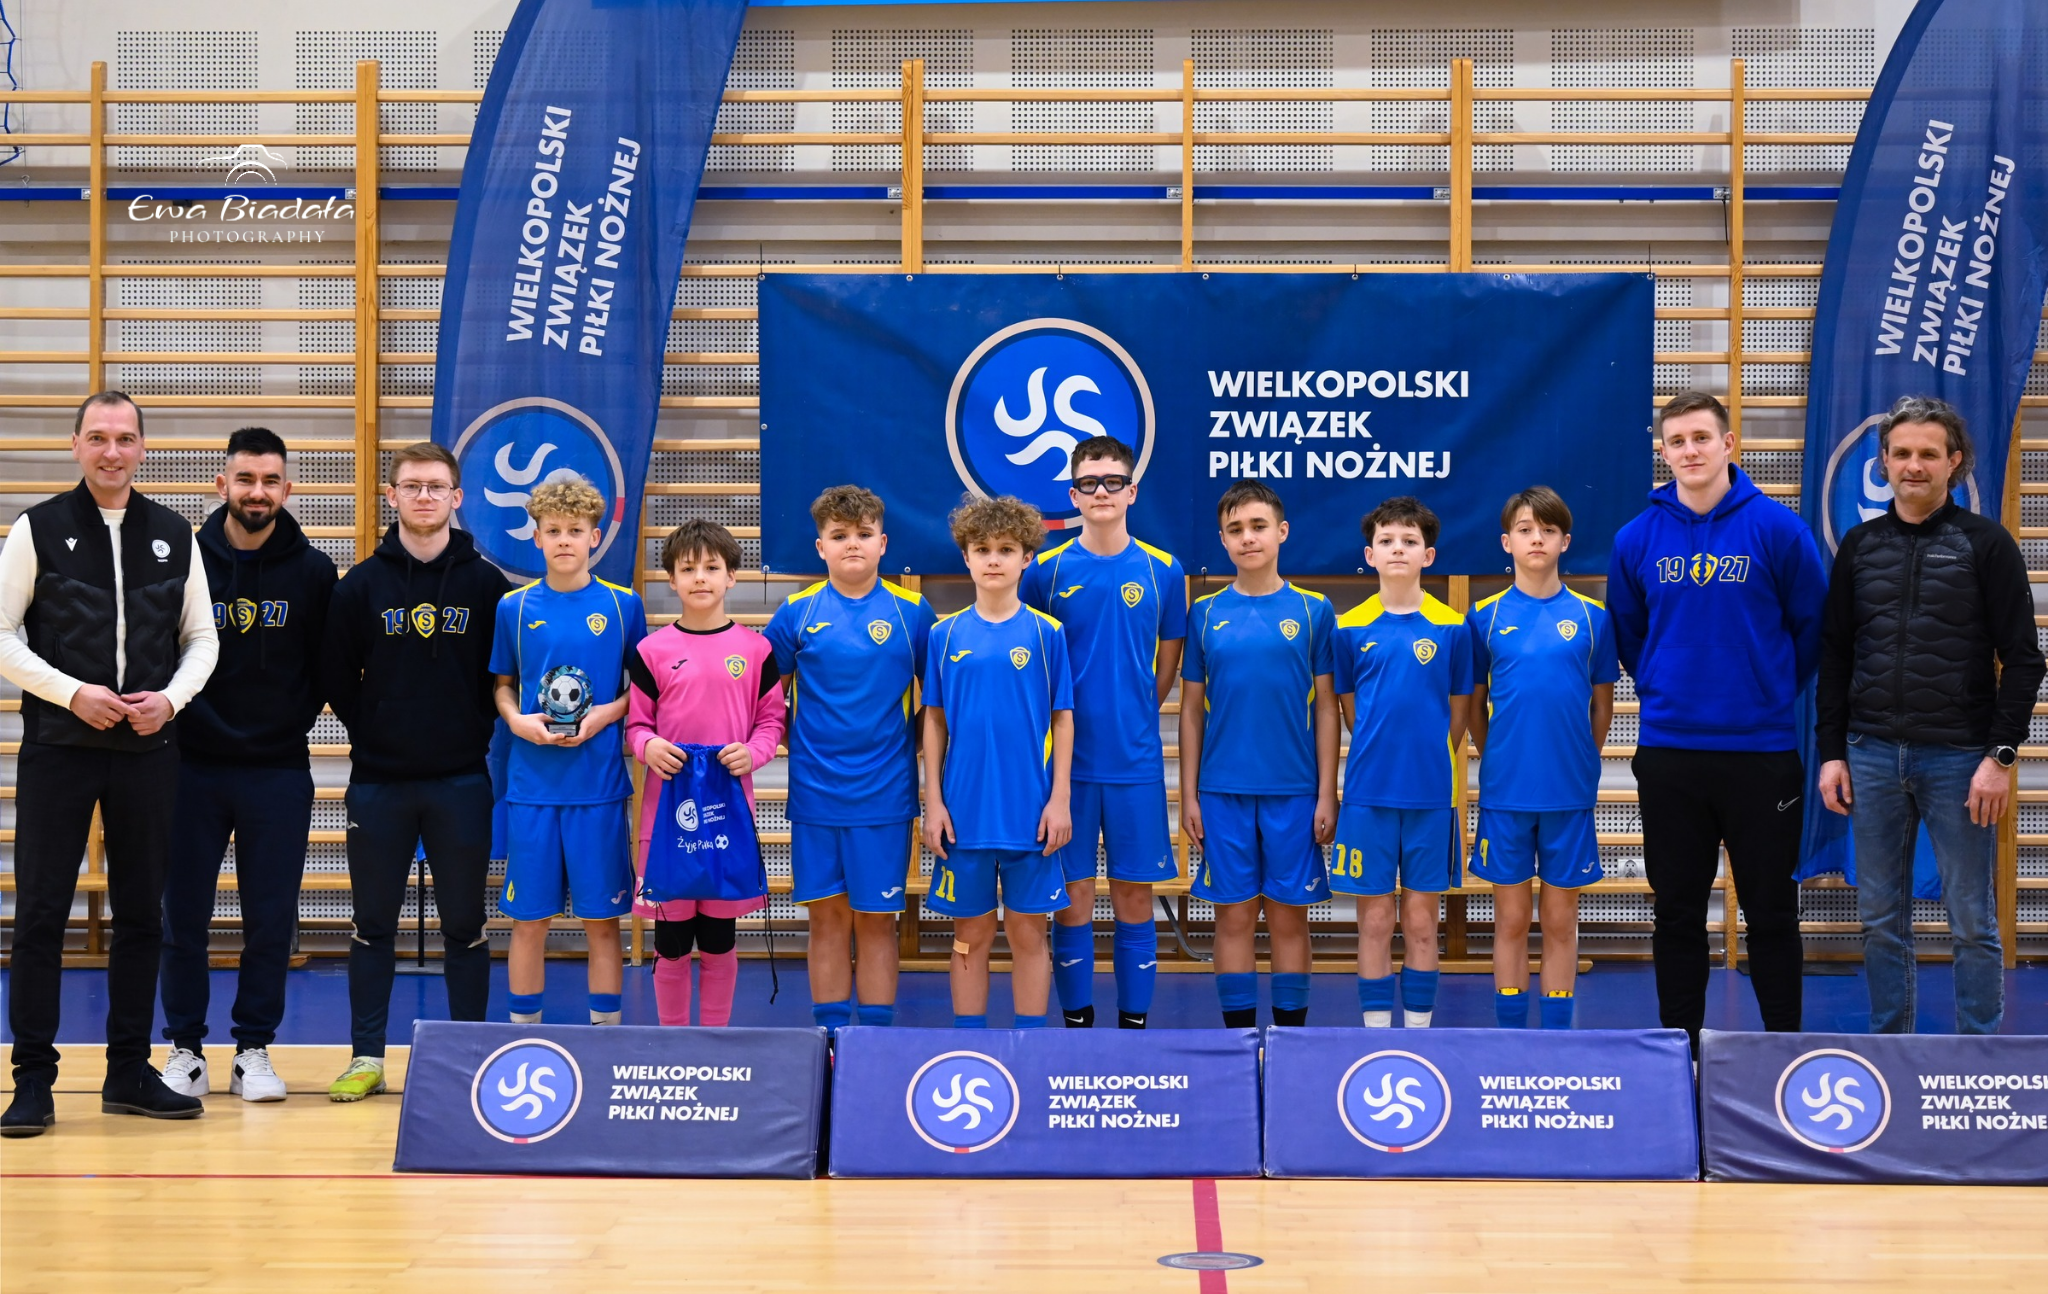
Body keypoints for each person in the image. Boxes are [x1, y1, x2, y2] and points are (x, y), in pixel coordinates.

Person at [0, 391, 219, 1137]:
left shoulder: (173, 533)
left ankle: (127, 1071)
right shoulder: (37, 528)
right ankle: (32, 1080)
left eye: (125, 438)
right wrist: (71, 693)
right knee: (40, 914)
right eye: (98, 437)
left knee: (141, 916)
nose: (112, 451)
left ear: (142, 449)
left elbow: (202, 639)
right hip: (59, 750)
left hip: (147, 752)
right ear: (76, 446)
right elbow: (3, 633)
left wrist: (171, 701)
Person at [1817, 396, 2042, 1035]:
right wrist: (1832, 752)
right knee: (1880, 918)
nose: (1913, 465)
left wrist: (1999, 759)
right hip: (1870, 756)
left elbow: (2024, 661)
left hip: (1960, 761)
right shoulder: (1859, 546)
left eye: (1927, 454)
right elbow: (1835, 655)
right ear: (1884, 463)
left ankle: (1978, 1054)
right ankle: (1892, 1048)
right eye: (1902, 454)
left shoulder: (1987, 544)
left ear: (1954, 462)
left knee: (1971, 918)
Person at [1608, 391, 1828, 1044]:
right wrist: (1664, 683)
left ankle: (1782, 1048)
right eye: (1677, 441)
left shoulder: (1779, 529)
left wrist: (1767, 689)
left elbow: (1813, 628)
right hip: (1671, 751)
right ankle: (1682, 1051)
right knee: (1677, 913)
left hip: (1761, 754)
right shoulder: (1635, 538)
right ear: (1664, 451)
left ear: (1729, 444)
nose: (1690, 451)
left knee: (1771, 912)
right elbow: (1630, 634)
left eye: (1701, 437)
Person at [320, 443, 512, 1100]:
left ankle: (466, 1057)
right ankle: (366, 1058)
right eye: (411, 486)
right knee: (372, 925)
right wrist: (376, 729)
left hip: (460, 780)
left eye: (435, 486)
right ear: (392, 496)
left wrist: (469, 727)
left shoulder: (488, 586)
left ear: (457, 497)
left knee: (466, 926)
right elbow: (336, 676)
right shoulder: (359, 586)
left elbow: (502, 677)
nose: (423, 496)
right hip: (379, 782)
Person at [158, 427, 336, 1103]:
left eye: (269, 481)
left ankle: (253, 1050)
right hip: (191, 765)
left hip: (277, 769)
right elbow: (162, 654)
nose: (256, 492)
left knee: (270, 919)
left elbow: (325, 669)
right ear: (222, 484)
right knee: (183, 917)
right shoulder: (185, 561)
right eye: (245, 479)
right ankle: (185, 1049)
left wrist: (285, 724)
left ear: (287, 489)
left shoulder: (314, 572)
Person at [1021, 435, 1186, 1030]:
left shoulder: (1164, 570)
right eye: (1089, 483)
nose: (1101, 492)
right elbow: (1034, 661)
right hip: (1064, 768)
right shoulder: (1045, 571)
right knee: (1073, 900)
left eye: (1113, 481)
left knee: (1134, 896)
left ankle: (1134, 1029)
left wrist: (1134, 710)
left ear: (1131, 491)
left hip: (1134, 762)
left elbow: (1166, 664)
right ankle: (1078, 1028)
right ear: (1073, 494)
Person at [764, 486, 935, 1034]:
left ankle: (875, 1046)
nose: (852, 544)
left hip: (885, 798)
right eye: (839, 536)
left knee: (877, 922)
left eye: (863, 534)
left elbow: (937, 703)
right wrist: (794, 740)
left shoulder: (913, 612)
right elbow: (765, 697)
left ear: (883, 543)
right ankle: (832, 1041)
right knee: (827, 921)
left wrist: (904, 744)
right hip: (815, 797)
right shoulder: (797, 612)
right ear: (821, 547)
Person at [1179, 481, 1337, 1028]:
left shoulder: (1314, 611)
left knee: (1290, 920)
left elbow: (1327, 708)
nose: (1248, 537)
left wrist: (1326, 792)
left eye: (1258, 526)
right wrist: (1189, 795)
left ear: (1281, 532)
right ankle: (1239, 1043)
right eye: (1235, 529)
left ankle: (1290, 1043)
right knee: (1233, 919)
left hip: (1294, 792)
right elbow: (1191, 710)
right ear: (1223, 540)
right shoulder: (1204, 613)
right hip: (1222, 793)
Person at [490, 480, 648, 1027]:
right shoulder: (513, 608)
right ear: (535, 537)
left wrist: (606, 714)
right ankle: (522, 1036)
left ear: (594, 537)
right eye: (553, 531)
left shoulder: (623, 605)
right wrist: (517, 721)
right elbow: (503, 686)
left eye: (575, 531)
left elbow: (642, 690)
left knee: (602, 922)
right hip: (532, 789)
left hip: (597, 789)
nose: (564, 540)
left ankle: (605, 1037)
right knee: (529, 921)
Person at [1468, 486, 1618, 1030]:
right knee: (1509, 921)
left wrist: (1580, 761)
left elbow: (1602, 707)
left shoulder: (1593, 617)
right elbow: (1474, 707)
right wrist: (1498, 756)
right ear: (1506, 542)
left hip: (1567, 794)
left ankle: (1556, 1039)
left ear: (1565, 542)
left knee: (1560, 922)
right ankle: (1511, 1038)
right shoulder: (1483, 617)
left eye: (1548, 530)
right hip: (1506, 794)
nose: (1537, 539)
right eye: (1526, 529)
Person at [922, 495, 1075, 1029]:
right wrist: (934, 802)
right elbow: (934, 722)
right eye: (982, 548)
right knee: (970, 936)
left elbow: (1062, 719)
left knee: (1029, 934)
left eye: (1006, 549)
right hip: (963, 816)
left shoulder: (1047, 633)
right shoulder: (943, 635)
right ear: (965, 557)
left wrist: (1059, 799)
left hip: (1030, 814)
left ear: (1027, 557)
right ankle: (973, 1049)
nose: (993, 559)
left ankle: (1030, 1050)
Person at [627, 519, 784, 1027]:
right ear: (671, 579)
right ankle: (673, 1042)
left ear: (731, 576)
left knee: (719, 940)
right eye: (688, 568)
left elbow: (772, 722)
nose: (700, 577)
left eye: (712, 567)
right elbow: (636, 725)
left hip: (727, 817)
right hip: (666, 819)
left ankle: (715, 1039)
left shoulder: (756, 650)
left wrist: (754, 753)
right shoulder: (651, 651)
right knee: (671, 942)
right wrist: (648, 746)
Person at [1332, 496, 1473, 1028]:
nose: (1398, 549)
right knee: (1373, 924)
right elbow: (1350, 711)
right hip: (1368, 797)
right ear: (1370, 554)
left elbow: (1458, 714)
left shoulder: (1453, 627)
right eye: (1387, 540)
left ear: (1427, 555)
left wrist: (1428, 757)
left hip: (1430, 798)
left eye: (1409, 541)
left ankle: (1417, 1039)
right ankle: (1375, 1040)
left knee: (1420, 924)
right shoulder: (1349, 627)